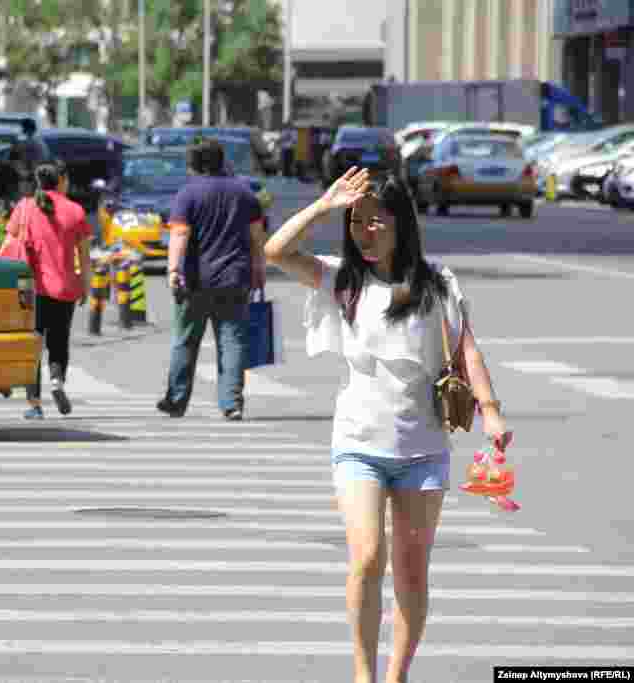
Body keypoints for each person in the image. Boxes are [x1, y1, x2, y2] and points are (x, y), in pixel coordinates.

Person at [263, 167, 512, 683]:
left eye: (377, 221)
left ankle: (396, 674)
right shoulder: (341, 279)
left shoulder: (437, 283)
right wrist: (325, 204)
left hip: (423, 448)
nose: (365, 231)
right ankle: (363, 674)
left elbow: (466, 349)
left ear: (402, 223)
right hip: (358, 444)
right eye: (357, 221)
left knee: (412, 571)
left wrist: (490, 410)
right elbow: (275, 251)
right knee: (368, 556)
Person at [157, 137, 267, 421]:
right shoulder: (244, 194)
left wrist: (172, 270)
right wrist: (259, 270)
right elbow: (257, 237)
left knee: (185, 341)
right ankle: (232, 403)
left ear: (194, 165)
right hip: (235, 279)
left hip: (195, 281)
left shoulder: (188, 194)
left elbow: (180, 235)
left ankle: (176, 401)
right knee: (232, 341)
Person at [4, 160, 91, 420]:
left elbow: (9, 245)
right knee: (58, 342)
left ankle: (34, 404)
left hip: (30, 289)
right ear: (61, 181)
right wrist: (85, 287)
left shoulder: (24, 208)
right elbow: (84, 257)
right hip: (64, 288)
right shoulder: (75, 211)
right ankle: (57, 381)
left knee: (32, 346)